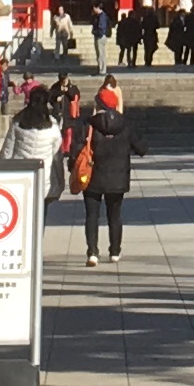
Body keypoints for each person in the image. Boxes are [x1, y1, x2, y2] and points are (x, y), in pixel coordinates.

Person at [77, 81, 137, 264]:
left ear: (98, 104)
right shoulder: (125, 124)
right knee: (115, 215)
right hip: (117, 177)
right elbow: (141, 146)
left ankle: (93, 252)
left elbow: (76, 149)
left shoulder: (89, 125)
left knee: (92, 215)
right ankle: (115, 252)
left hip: (93, 174)